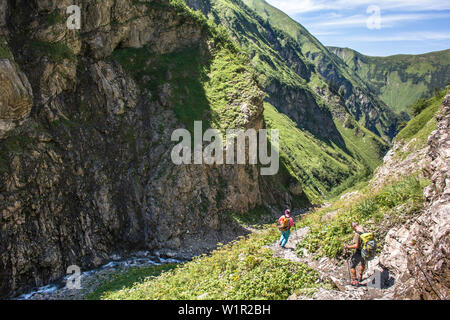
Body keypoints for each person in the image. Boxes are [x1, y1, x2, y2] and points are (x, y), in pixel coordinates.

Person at [344, 222, 366, 286]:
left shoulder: (357, 233)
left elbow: (356, 246)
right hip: (366, 250)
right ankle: (360, 276)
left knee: (352, 265)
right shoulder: (364, 230)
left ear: (353, 226)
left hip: (359, 252)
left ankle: (355, 280)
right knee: (363, 263)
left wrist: (347, 247)